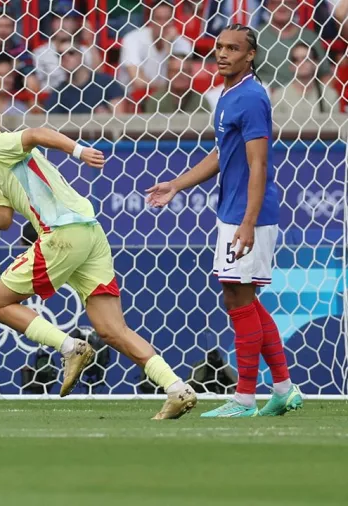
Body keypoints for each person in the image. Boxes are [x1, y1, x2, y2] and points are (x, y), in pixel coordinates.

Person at [0, 97, 198, 420]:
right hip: (91, 235)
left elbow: (36, 133)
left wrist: (78, 151)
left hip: (62, 235)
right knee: (111, 330)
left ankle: (69, 347)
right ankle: (176, 388)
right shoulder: (2, 165)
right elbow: (2, 219)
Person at [146, 24, 303, 418]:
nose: (222, 54)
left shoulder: (250, 97)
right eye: (219, 47)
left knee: (236, 296)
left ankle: (245, 398)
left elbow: (258, 163)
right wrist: (177, 185)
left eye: (233, 49)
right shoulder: (226, 97)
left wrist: (248, 222)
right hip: (233, 210)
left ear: (250, 55)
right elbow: (222, 155)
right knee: (242, 297)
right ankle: (282, 388)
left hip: (246, 214)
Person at [255, 0, 330, 90]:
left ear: (296, 6)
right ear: (268, 6)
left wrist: (321, 99)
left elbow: (325, 75)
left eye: (288, 3)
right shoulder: (256, 36)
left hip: (304, 98)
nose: (282, 7)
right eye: (276, 2)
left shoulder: (309, 37)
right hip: (265, 97)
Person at [44, 46, 124, 115]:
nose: (65, 57)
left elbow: (119, 118)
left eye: (71, 53)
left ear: (82, 56)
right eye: (60, 55)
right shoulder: (58, 93)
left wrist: (106, 117)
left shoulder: (106, 83)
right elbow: (52, 123)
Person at [269, 43, 340, 119]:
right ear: (291, 65)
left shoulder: (329, 95)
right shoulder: (279, 96)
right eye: (296, 59)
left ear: (316, 64)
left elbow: (334, 127)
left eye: (306, 59)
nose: (301, 63)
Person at [142, 50, 211, 114]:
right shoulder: (156, 101)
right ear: (168, 74)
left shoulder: (201, 102)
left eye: (184, 71)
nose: (179, 75)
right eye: (174, 71)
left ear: (190, 73)